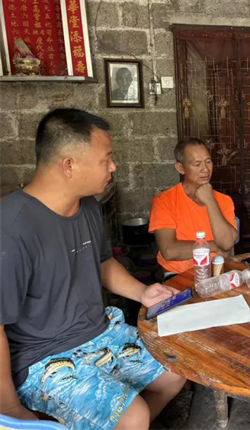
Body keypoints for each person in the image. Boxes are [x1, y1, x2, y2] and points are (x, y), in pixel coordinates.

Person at [0, 109, 186, 429]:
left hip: (97, 333)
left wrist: (143, 292)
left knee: (177, 371)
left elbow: (102, 262)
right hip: (41, 357)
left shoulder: (87, 205)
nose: (113, 167)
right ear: (69, 165)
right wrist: (9, 407)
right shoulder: (12, 229)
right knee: (134, 415)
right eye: (106, 158)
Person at [149, 138, 238, 277]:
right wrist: (214, 246)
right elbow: (169, 251)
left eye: (208, 162)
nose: (205, 169)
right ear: (181, 168)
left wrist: (210, 201)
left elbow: (226, 244)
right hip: (178, 275)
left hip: (217, 272)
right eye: (197, 164)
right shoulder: (164, 201)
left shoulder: (223, 200)